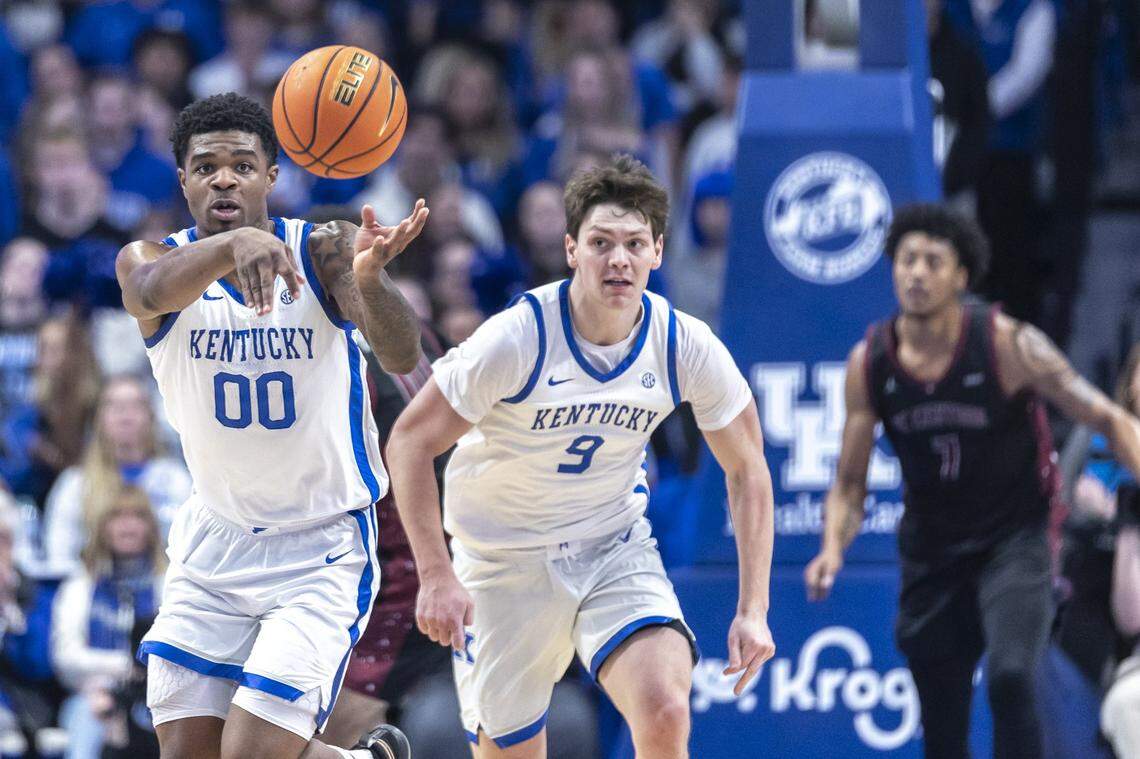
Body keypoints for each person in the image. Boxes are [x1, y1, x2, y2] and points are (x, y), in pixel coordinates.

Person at [387, 154, 776, 758]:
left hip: (610, 545)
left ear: (657, 253)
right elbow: (410, 441)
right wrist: (436, 575)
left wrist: (754, 610)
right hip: (501, 560)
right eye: (601, 242)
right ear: (572, 250)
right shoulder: (517, 338)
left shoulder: (683, 344)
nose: (618, 258)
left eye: (633, 243)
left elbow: (748, 469)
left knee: (667, 706)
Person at [114, 92, 425, 759]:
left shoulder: (323, 252)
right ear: (184, 180)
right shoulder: (146, 258)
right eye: (206, 167)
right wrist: (234, 245)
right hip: (216, 543)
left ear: (271, 177)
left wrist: (371, 281)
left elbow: (401, 355)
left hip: (320, 548)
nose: (224, 178)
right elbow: (147, 293)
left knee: (252, 754)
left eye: (242, 165)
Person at [804, 203, 1140, 759]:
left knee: (1011, 676)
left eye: (933, 261)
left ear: (961, 276)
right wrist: (831, 549)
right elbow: (849, 482)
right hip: (933, 548)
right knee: (943, 716)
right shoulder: (870, 364)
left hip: (1015, 541)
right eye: (907, 259)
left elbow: (1107, 416)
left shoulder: (1008, 344)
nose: (916, 272)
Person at [51, 487, 165, 759]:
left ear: (150, 526)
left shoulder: (169, 582)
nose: (127, 525)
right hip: (93, 695)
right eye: (117, 516)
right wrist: (126, 667)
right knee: (87, 718)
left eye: (137, 516)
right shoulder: (80, 584)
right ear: (103, 527)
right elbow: (64, 657)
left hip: (159, 698)